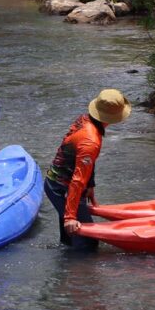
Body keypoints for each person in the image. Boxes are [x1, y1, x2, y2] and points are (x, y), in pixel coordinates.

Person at [44, 89, 131, 250]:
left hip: (58, 183)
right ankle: (78, 274)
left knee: (72, 240)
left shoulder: (85, 120)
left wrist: (90, 185)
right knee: (87, 241)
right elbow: (77, 180)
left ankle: (68, 263)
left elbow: (85, 163)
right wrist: (70, 216)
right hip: (62, 188)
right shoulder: (90, 141)